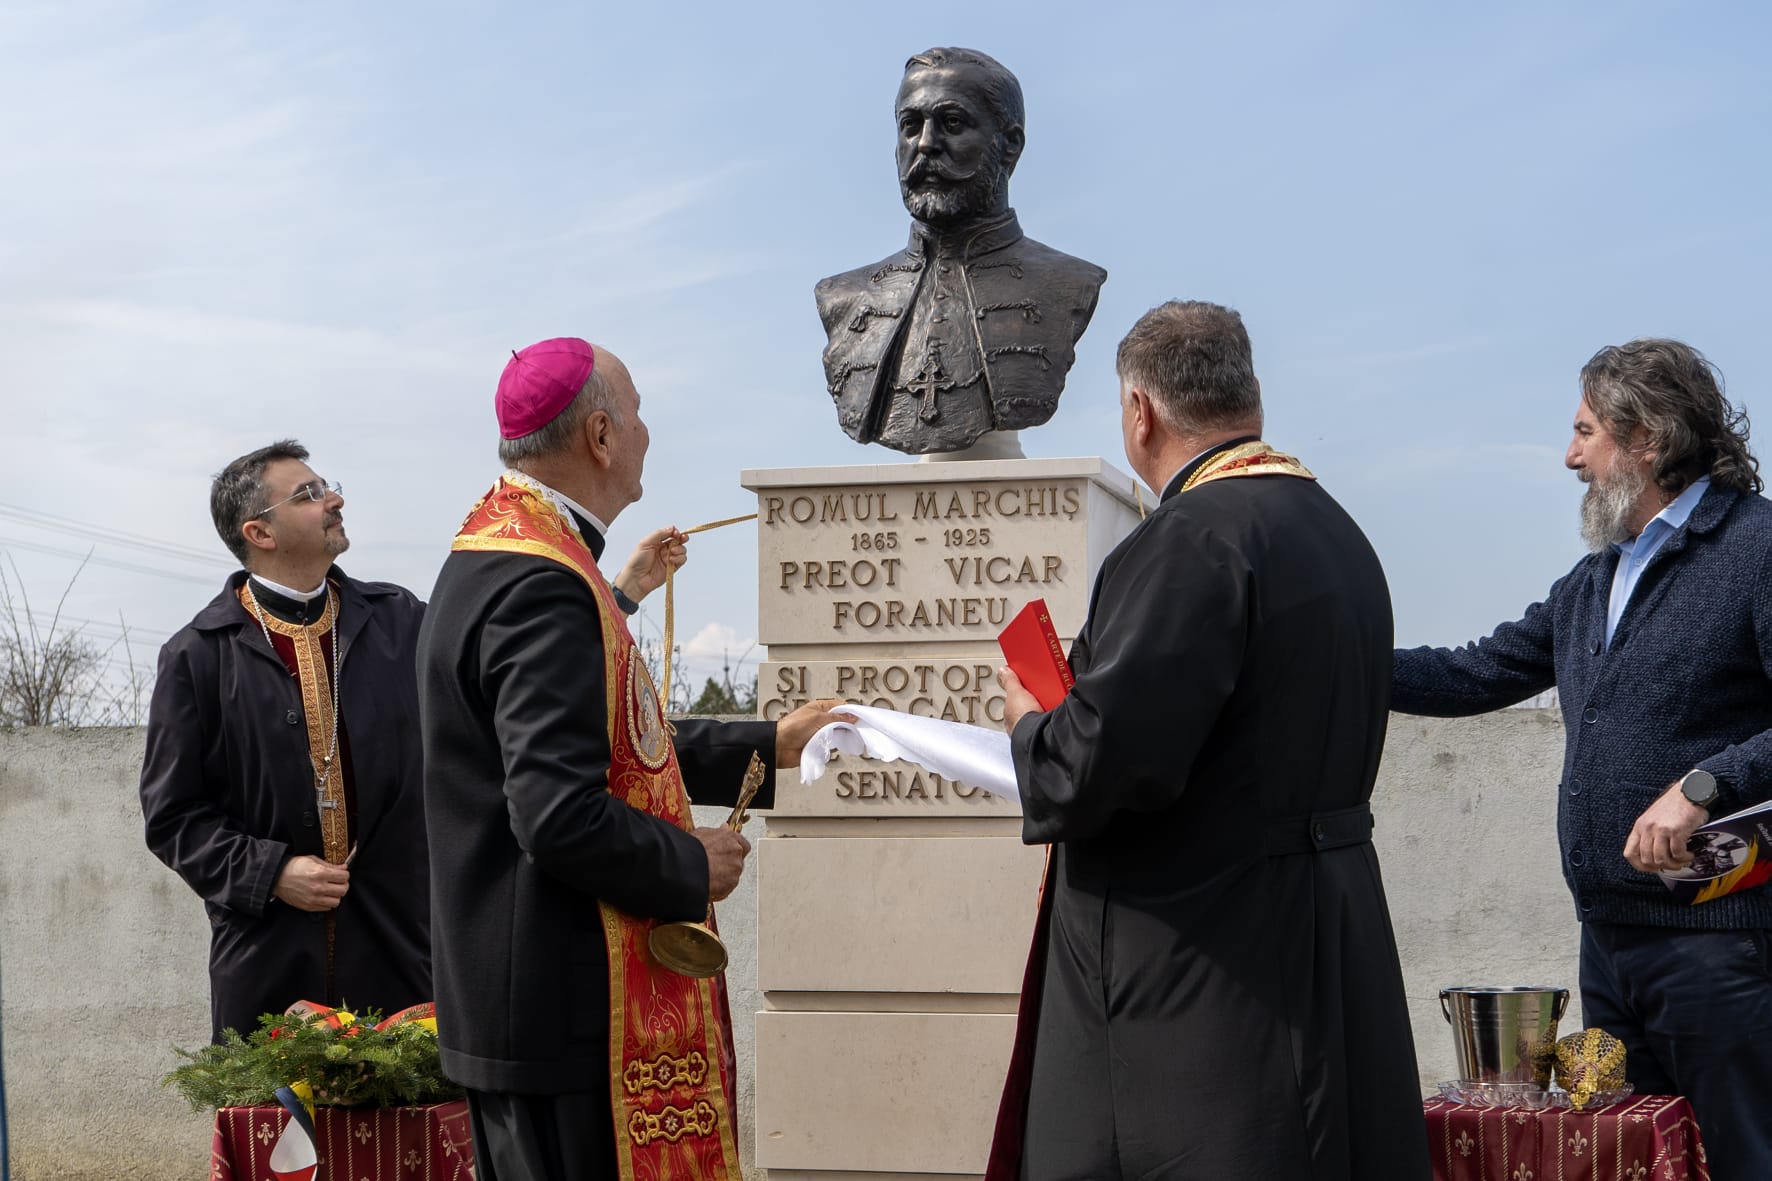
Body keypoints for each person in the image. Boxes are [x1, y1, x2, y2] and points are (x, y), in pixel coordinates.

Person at [986, 301, 1429, 1180]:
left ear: (1139, 412)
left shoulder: (1189, 539)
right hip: (1327, 931)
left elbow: (1098, 765)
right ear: (1248, 395)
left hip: (1206, 979)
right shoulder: (1341, 534)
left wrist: (1030, 722)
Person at [418, 337, 838, 1181]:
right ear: (601, 434)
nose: (650, 432)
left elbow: (613, 738)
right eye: (639, 413)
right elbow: (555, 810)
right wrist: (690, 860)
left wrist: (769, 745)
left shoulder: (505, 546)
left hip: (530, 1013)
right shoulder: (541, 583)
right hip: (563, 1018)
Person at [1393, 337, 1772, 1179]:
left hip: (1723, 948)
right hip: (1608, 950)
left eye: (1585, 431)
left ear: (1648, 437)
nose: (1570, 456)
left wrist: (1705, 786)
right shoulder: (1593, 580)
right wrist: (1327, 651)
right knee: (1627, 1166)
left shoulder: (1758, 548)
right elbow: (1472, 669)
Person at [140, 440, 430, 1041]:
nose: (335, 500)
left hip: (399, 952)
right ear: (259, 532)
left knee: (411, 1135)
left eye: (327, 485)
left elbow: (501, 669)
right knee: (282, 1134)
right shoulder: (197, 656)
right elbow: (173, 819)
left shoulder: (401, 620)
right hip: (269, 962)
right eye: (310, 494)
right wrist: (272, 873)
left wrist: (618, 597)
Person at [814, 46, 1107, 457]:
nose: (926, 144)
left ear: (1010, 145)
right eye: (910, 126)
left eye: (952, 123)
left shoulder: (1069, 281)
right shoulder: (843, 296)